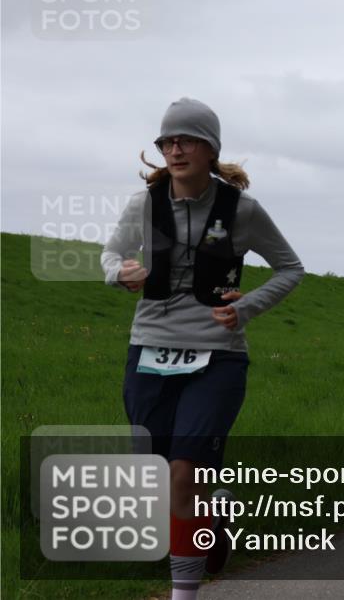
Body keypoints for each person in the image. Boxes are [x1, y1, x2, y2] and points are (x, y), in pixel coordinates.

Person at [101, 98, 304, 600]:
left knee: (183, 470)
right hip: (148, 348)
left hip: (217, 354)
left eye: (186, 140)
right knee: (160, 478)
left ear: (210, 149)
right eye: (167, 141)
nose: (174, 149)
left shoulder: (242, 210)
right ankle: (216, 512)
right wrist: (118, 272)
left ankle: (184, 593)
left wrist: (248, 307)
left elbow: (290, 267)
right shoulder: (143, 205)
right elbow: (110, 253)